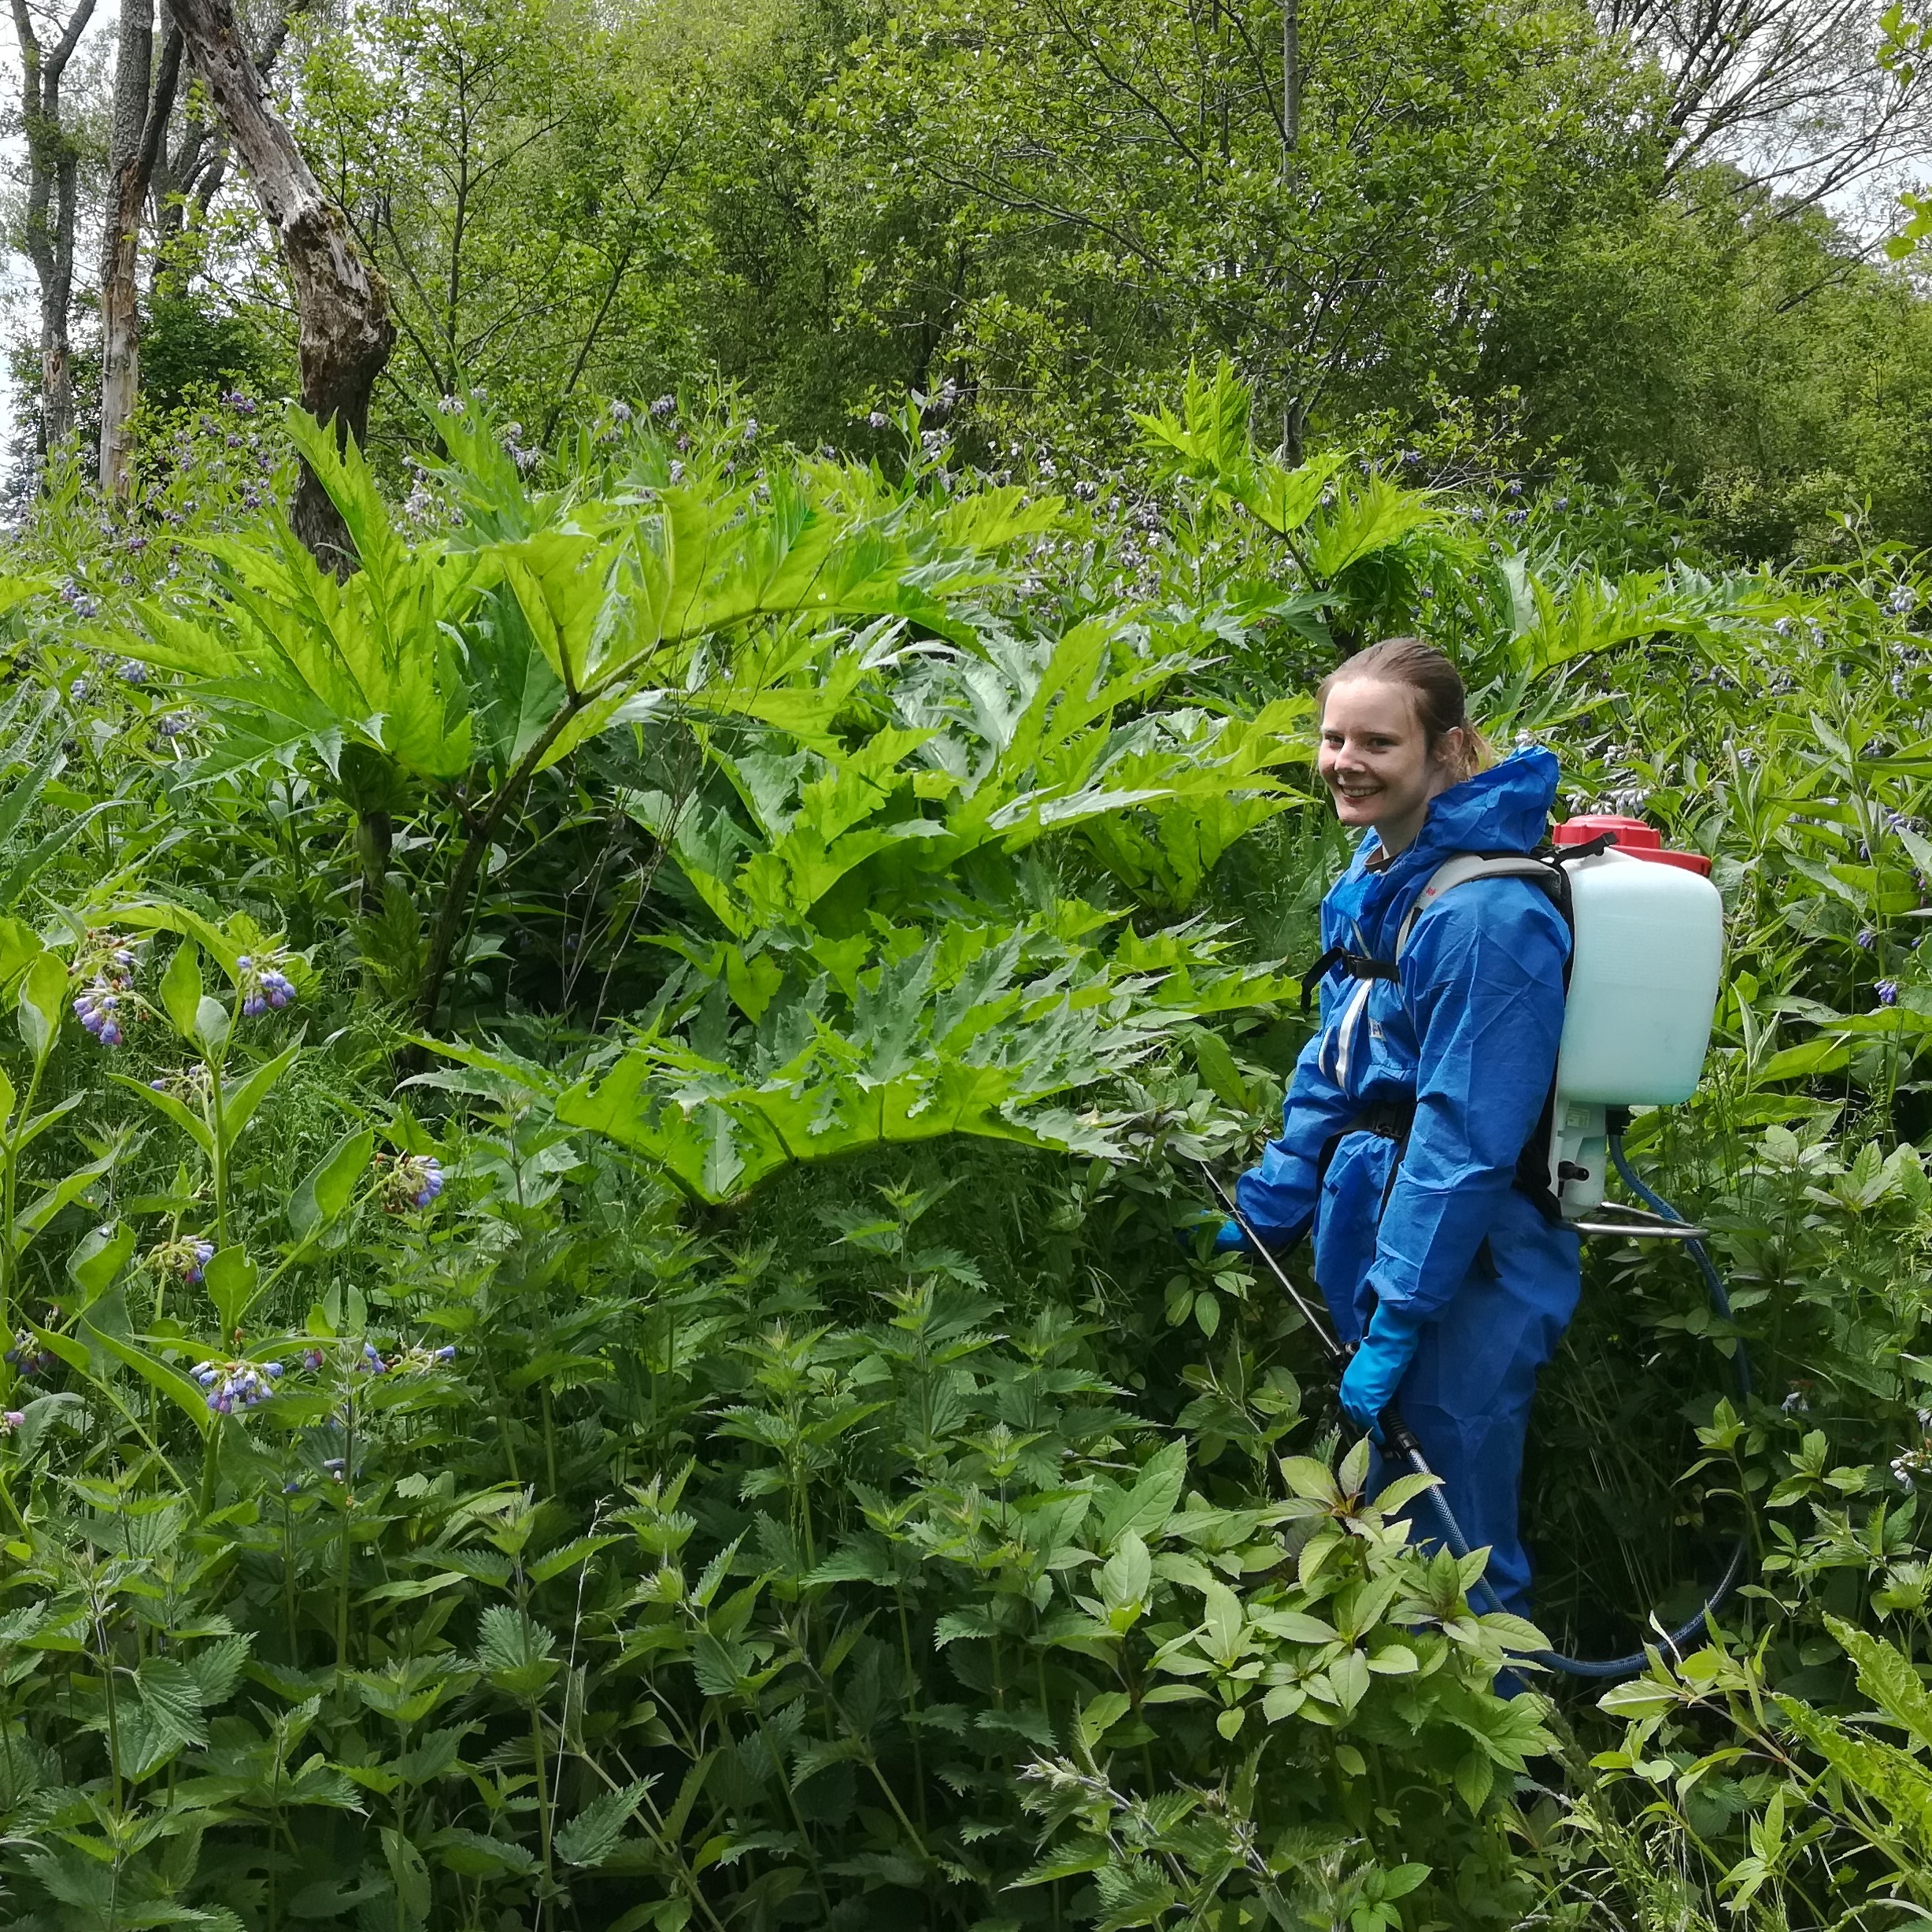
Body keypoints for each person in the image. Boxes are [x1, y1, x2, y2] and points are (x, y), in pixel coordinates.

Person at [1212, 638, 1579, 1616]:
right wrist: (1275, 1191)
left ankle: (1517, 1753)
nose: (1345, 761)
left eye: (1377, 740)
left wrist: (1402, 1316)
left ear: (1448, 750)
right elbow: (1342, 1052)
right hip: (1377, 1216)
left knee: (1457, 1523)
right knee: (1390, 1501)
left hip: (1477, 1255)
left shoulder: (1486, 917)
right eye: (1333, 737)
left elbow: (1463, 1142)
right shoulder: (1381, 876)